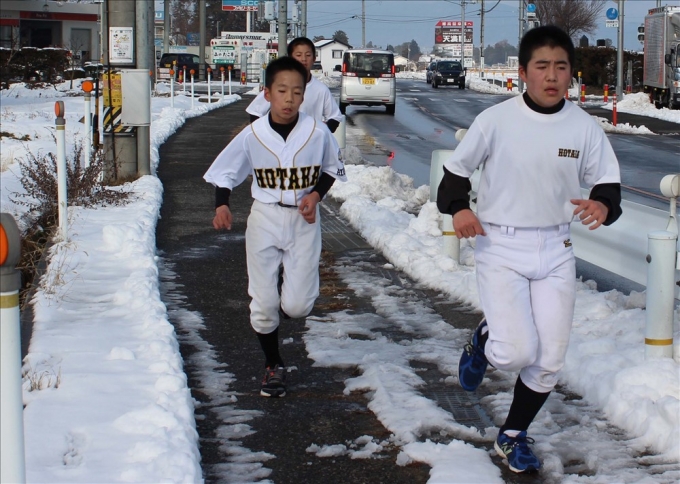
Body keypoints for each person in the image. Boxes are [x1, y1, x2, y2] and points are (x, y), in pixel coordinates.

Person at [437, 25, 622, 474]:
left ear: (571, 73)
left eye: (561, 66)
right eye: (542, 66)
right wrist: (459, 209)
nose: (552, 76)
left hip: (556, 246)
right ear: (523, 72)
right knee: (516, 352)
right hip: (500, 244)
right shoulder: (495, 121)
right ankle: (484, 340)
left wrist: (602, 204)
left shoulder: (583, 127)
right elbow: (454, 177)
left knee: (549, 359)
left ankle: (513, 435)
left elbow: (608, 185)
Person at [204, 56, 347, 398]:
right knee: (263, 303)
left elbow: (331, 169)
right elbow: (226, 171)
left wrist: (315, 195)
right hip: (265, 216)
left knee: (298, 307)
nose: (289, 99)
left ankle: (284, 293)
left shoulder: (317, 132)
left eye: (296, 92)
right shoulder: (253, 134)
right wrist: (222, 204)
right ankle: (272, 364)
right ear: (267, 94)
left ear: (303, 96)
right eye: (282, 91)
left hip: (303, 220)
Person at [246, 37, 343, 133]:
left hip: (308, 140)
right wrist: (265, 135)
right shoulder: (279, 84)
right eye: (298, 55)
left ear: (314, 58)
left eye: (308, 55)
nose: (303, 59)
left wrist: (321, 132)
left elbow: (335, 117)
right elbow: (255, 112)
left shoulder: (321, 89)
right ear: (290, 58)